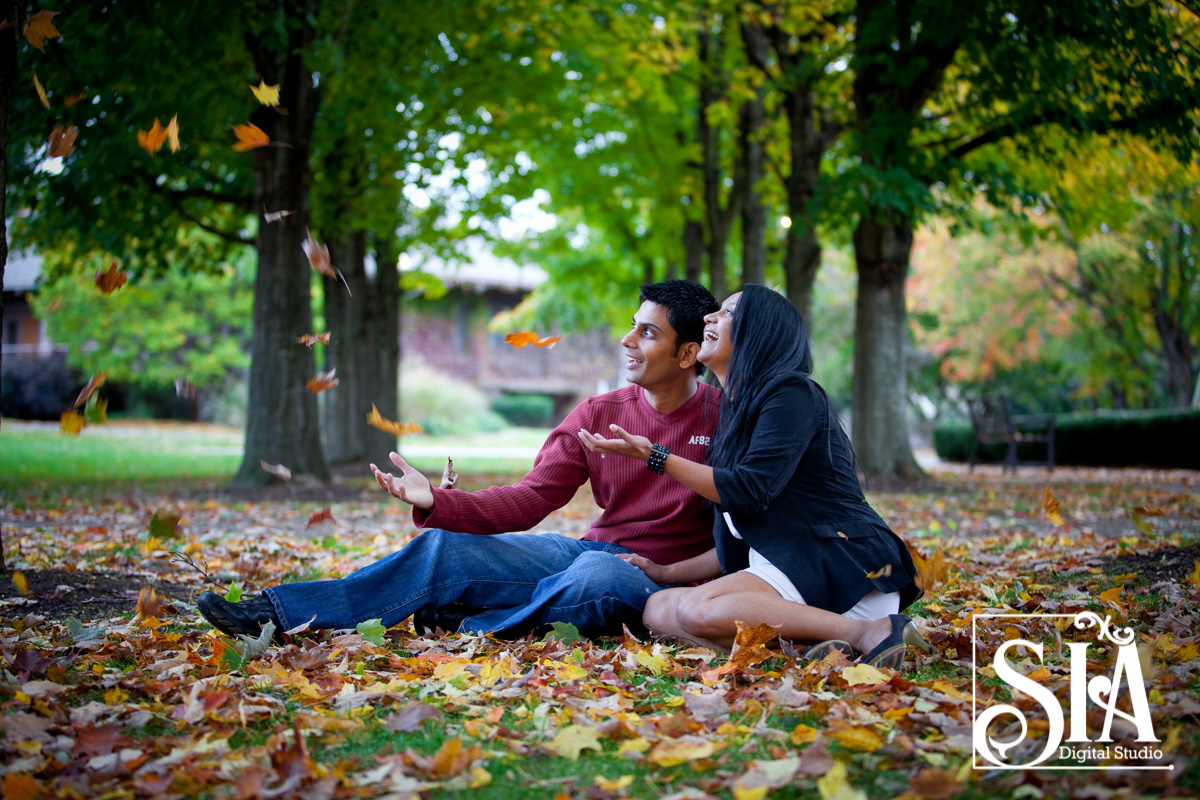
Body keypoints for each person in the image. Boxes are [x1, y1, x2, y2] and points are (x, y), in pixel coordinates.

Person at [197, 280, 722, 642]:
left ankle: (471, 619)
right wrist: (438, 502)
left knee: (595, 580)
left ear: (687, 354)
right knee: (443, 547)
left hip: (660, 580)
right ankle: (277, 613)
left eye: (647, 333)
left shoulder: (728, 419)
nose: (627, 341)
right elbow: (531, 498)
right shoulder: (598, 413)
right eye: (632, 326)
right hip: (589, 550)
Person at [579, 284, 930, 669]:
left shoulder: (791, 392)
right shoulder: (735, 413)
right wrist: (667, 571)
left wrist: (657, 456)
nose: (709, 318)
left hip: (841, 567)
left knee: (697, 609)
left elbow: (749, 491)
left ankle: (869, 631)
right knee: (658, 610)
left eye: (727, 313)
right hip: (788, 571)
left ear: (757, 332)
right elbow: (739, 532)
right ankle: (817, 642)